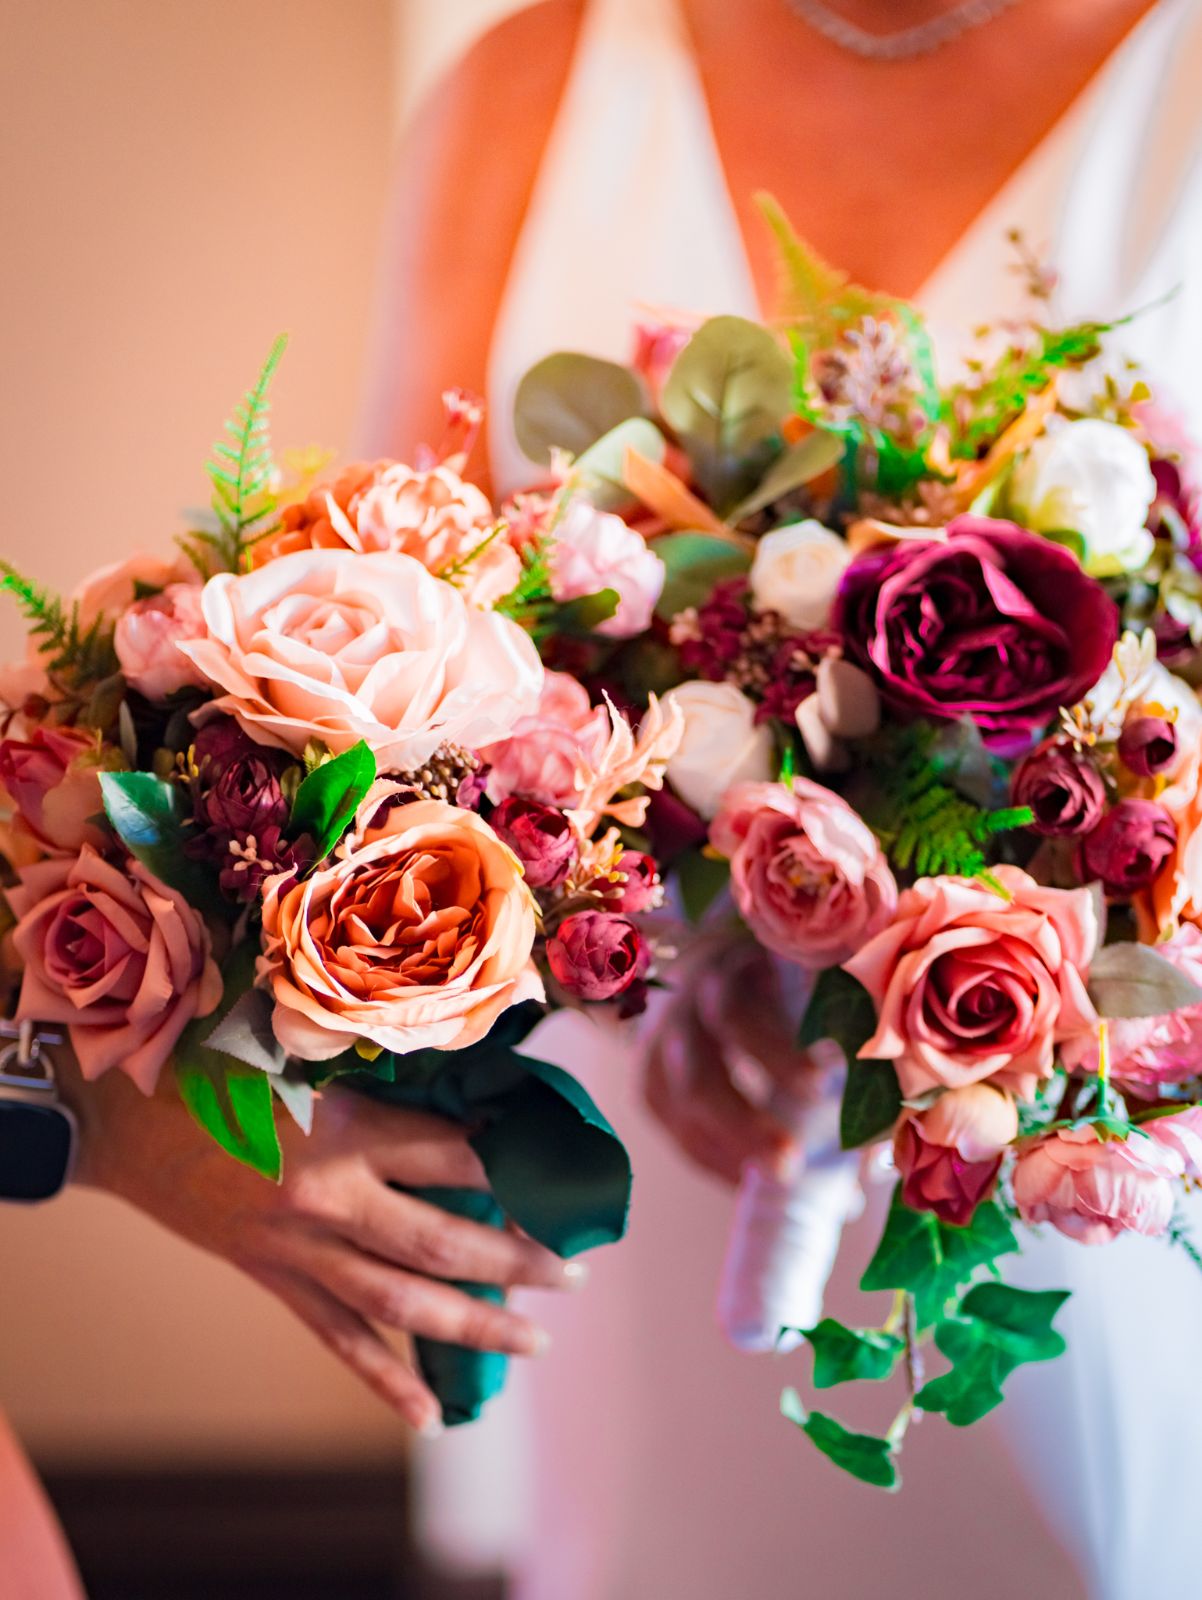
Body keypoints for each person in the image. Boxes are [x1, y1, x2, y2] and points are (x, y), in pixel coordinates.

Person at [357, 1, 1202, 1597]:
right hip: (643, 1124)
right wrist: (673, 937)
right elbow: (397, 640)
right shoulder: (535, 75)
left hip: (1114, 1151)